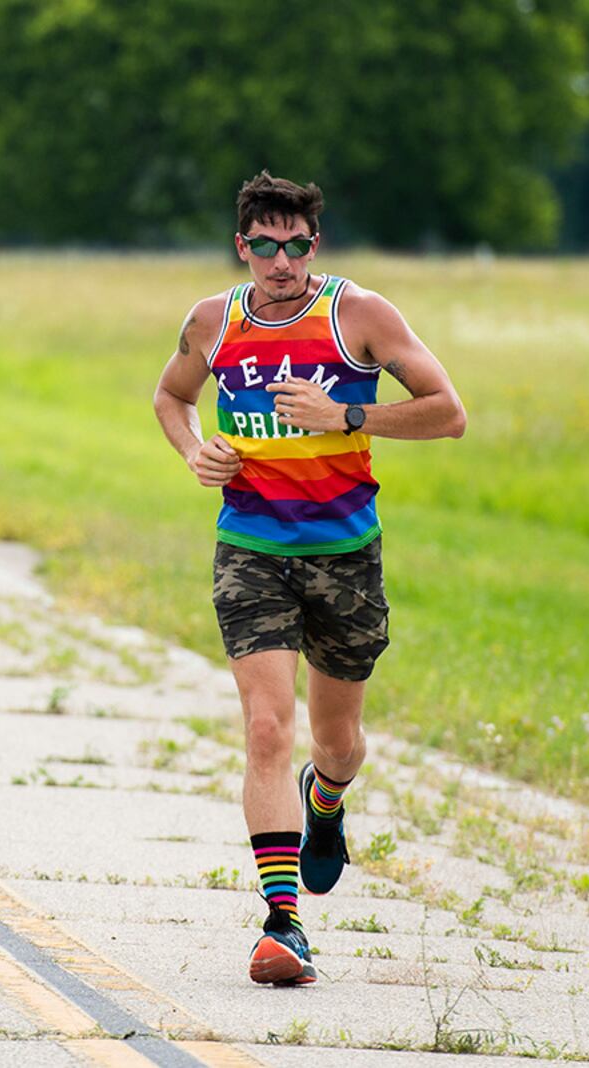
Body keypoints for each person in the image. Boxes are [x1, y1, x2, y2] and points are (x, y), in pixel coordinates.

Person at [153, 171, 467, 986]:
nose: (282, 261)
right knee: (265, 727)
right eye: (266, 245)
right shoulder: (212, 321)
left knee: (337, 743)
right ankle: (284, 925)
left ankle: (325, 800)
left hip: (345, 556)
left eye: (296, 245)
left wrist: (349, 416)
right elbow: (169, 397)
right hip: (250, 548)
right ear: (243, 247)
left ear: (314, 247)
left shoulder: (359, 315)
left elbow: (448, 411)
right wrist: (196, 452)